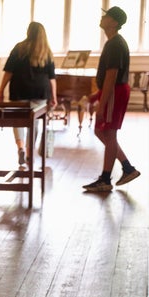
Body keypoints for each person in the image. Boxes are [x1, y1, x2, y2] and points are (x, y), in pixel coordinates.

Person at [82, 6, 141, 192]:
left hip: (115, 91)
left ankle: (106, 179)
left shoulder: (115, 44)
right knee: (103, 132)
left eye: (106, 16)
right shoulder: (113, 42)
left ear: (114, 23)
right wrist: (96, 96)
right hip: (114, 91)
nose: (103, 17)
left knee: (108, 133)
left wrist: (102, 104)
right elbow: (109, 78)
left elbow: (112, 76)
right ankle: (127, 168)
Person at [0, 22, 57, 166]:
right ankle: (30, 153)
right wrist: (54, 96)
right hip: (40, 92)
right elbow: (51, 78)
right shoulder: (46, 51)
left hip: (19, 90)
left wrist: (1, 89)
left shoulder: (19, 48)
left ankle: (21, 148)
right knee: (34, 122)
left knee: (17, 120)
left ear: (28, 32)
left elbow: (8, 72)